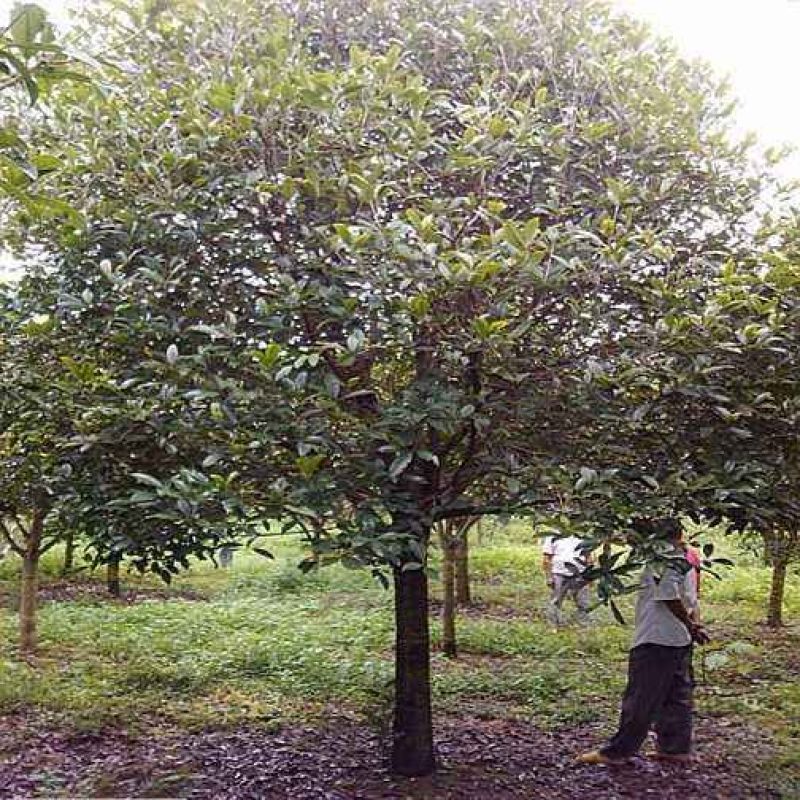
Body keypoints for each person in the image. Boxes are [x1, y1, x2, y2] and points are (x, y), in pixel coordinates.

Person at [577, 518, 710, 765]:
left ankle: (617, 752)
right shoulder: (686, 559)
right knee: (677, 696)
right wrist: (693, 626)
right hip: (678, 640)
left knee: (641, 697)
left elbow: (669, 596)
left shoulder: (664, 562)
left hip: (657, 638)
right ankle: (674, 749)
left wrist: (691, 626)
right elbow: (691, 598)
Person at [541, 533, 591, 626]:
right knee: (556, 601)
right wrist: (548, 576)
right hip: (559, 573)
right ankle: (553, 624)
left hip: (580, 573)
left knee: (583, 601)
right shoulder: (553, 536)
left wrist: (589, 576)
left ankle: (584, 624)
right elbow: (546, 558)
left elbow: (589, 557)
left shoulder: (583, 536)